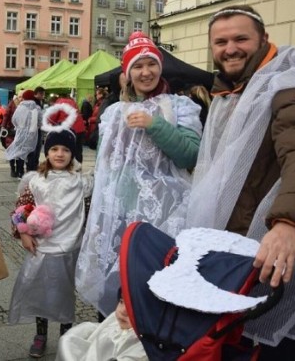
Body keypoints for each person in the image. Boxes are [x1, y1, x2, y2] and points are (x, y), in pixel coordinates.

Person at [184, 5, 295, 360]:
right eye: (220, 42)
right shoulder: (231, 90)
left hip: (280, 249)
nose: (230, 48)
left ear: (263, 39)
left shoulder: (292, 82)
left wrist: (289, 224)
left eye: (240, 38)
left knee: (272, 345)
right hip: (242, 248)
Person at [75, 32, 202, 318]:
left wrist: (154, 124)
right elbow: (107, 168)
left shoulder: (181, 106)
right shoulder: (114, 113)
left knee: (154, 289)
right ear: (128, 74)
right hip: (121, 215)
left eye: (151, 64)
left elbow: (190, 155)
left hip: (166, 216)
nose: (146, 72)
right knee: (117, 286)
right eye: (138, 66)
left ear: (160, 67)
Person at [8, 106, 93, 359]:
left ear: (73, 155)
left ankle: (67, 336)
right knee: (41, 293)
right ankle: (41, 334)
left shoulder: (82, 182)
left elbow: (90, 209)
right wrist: (23, 232)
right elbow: (20, 210)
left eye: (66, 150)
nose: (60, 153)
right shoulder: (35, 181)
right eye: (54, 149)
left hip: (69, 248)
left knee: (65, 294)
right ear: (47, 152)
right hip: (41, 248)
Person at [6, 89, 41, 178]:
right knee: (31, 153)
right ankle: (30, 173)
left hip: (20, 134)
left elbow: (14, 119)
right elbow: (40, 121)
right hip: (32, 135)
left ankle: (20, 171)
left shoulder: (20, 108)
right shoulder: (36, 108)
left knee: (20, 153)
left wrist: (19, 127)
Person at [51, 93, 87, 163]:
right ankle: (78, 168)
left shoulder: (59, 102)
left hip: (70, 129)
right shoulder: (73, 102)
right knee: (78, 150)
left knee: (67, 149)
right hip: (80, 128)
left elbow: (53, 116)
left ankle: (68, 167)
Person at [26, 86, 46, 171]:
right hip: (34, 130)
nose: (42, 96)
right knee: (34, 150)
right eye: (41, 94)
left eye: (43, 94)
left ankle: (34, 167)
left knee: (36, 150)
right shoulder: (34, 103)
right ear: (36, 94)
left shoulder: (40, 102)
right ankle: (31, 168)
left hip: (37, 129)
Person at [1, 94, 20, 177]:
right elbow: (6, 116)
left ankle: (18, 169)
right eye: (19, 97)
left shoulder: (23, 104)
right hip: (11, 131)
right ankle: (13, 169)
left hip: (19, 131)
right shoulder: (11, 104)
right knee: (11, 150)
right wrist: (3, 127)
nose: (19, 99)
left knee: (19, 151)